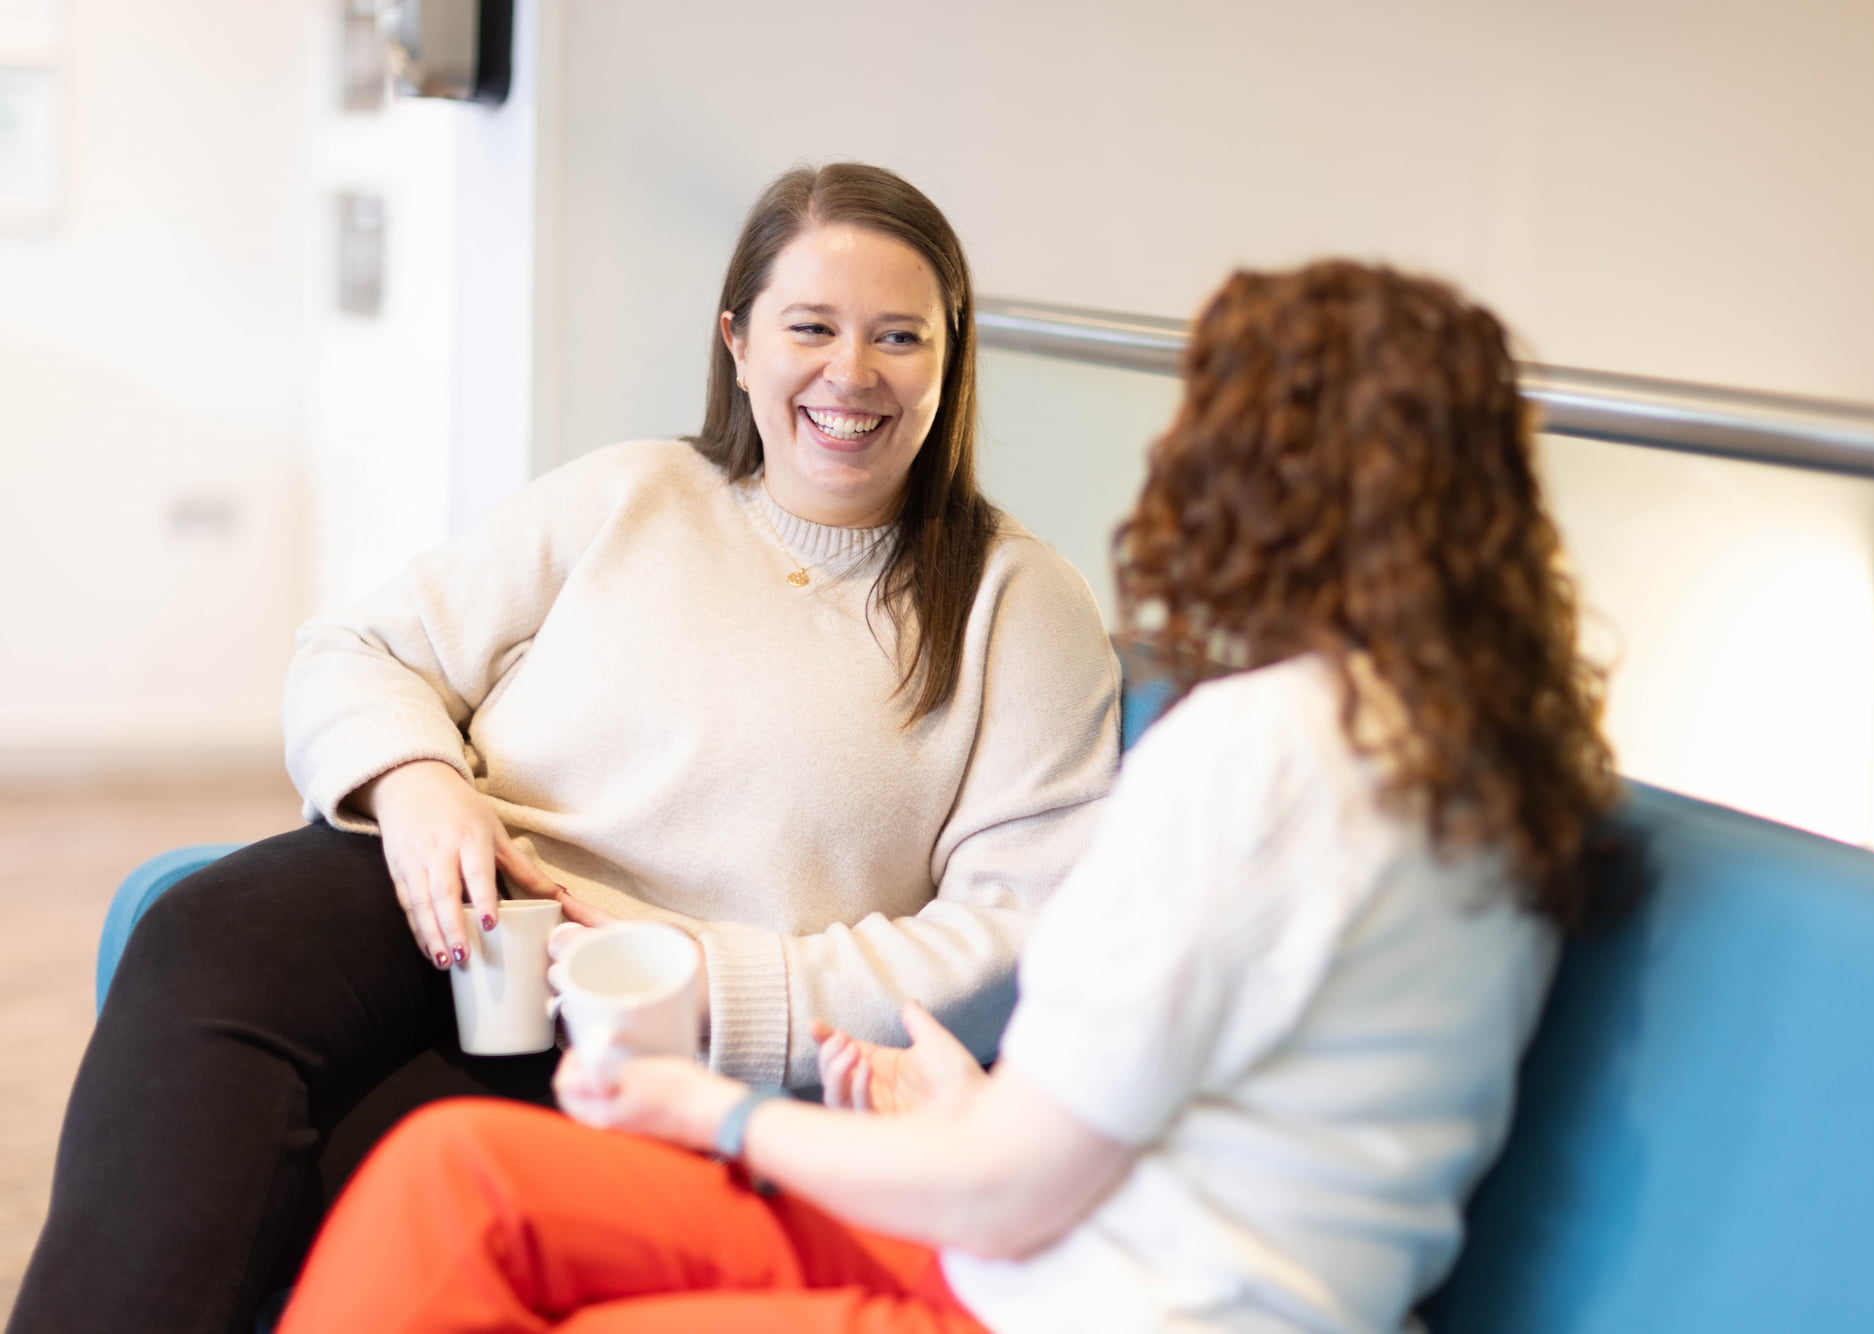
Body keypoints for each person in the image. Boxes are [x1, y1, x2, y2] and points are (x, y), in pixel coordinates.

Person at [267, 258, 1622, 1334]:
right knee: (462, 1171)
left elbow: (1023, 1185)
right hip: (1057, 1242)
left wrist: (716, 1111)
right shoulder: (1491, 759)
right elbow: (1193, 1113)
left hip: (1074, 1294)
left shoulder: (1258, 752)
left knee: (475, 1211)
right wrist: (960, 1097)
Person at [9, 164, 1121, 1334]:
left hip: (654, 1023)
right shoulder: (635, 490)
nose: (852, 373)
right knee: (201, 935)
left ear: (950, 358)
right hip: (452, 896)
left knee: (338, 1162)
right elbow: (357, 646)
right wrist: (418, 781)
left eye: (899, 335)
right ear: (737, 341)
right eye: (812, 327)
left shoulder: (1019, 601)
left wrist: (721, 990)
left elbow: (1018, 932)